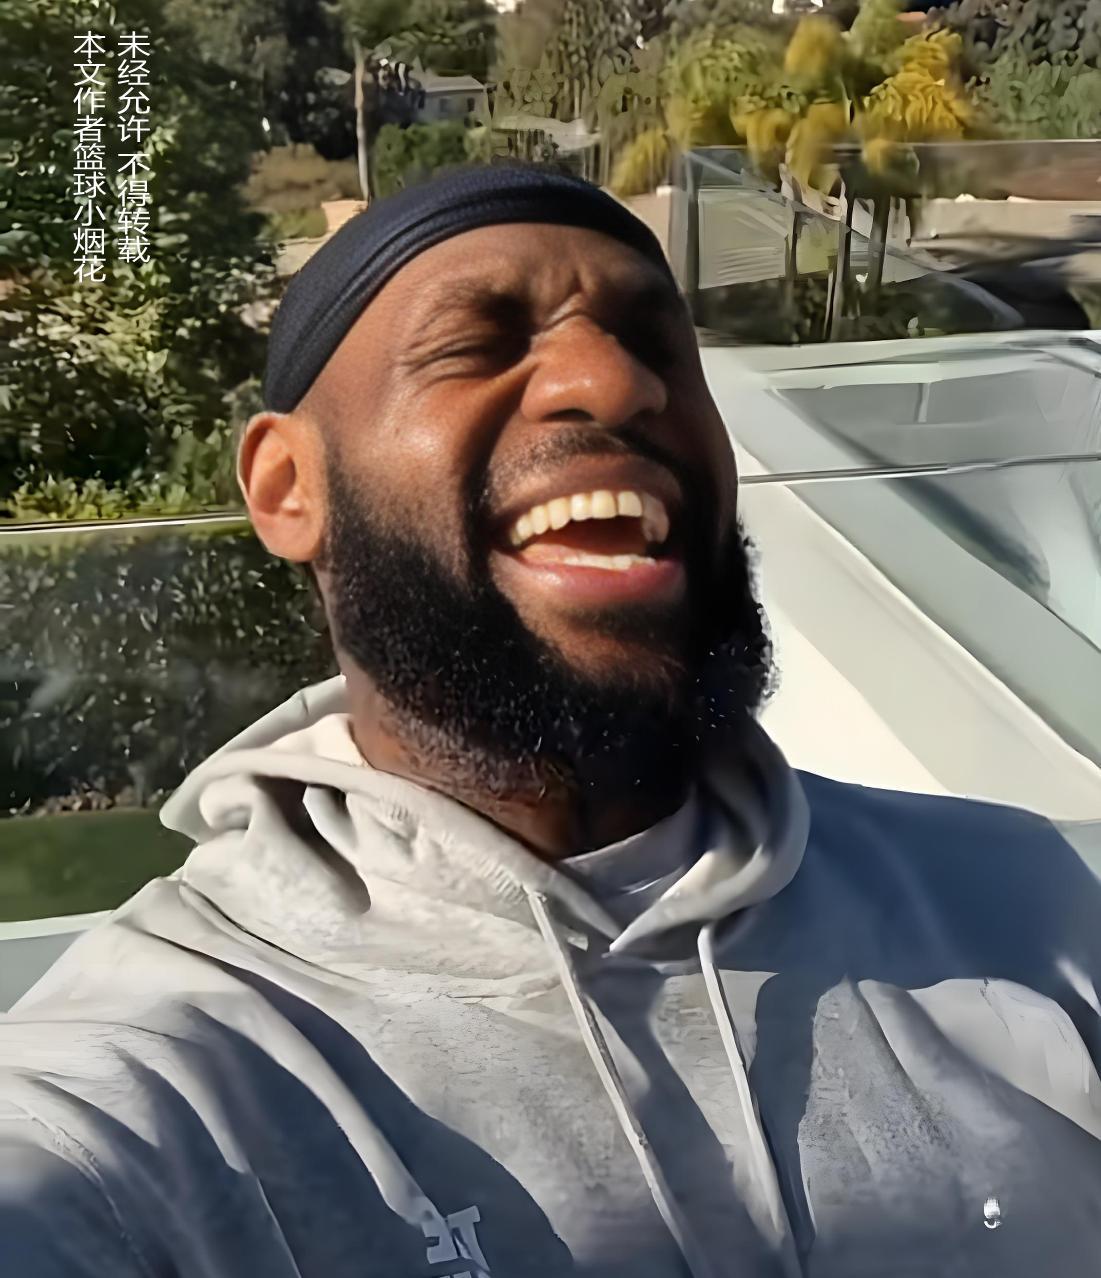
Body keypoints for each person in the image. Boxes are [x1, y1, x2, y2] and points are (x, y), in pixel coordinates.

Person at [2, 164, 1100, 1278]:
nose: (615, 382)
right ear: (290, 487)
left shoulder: (1024, 899)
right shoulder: (158, 1068)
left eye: (656, 343)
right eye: (473, 345)